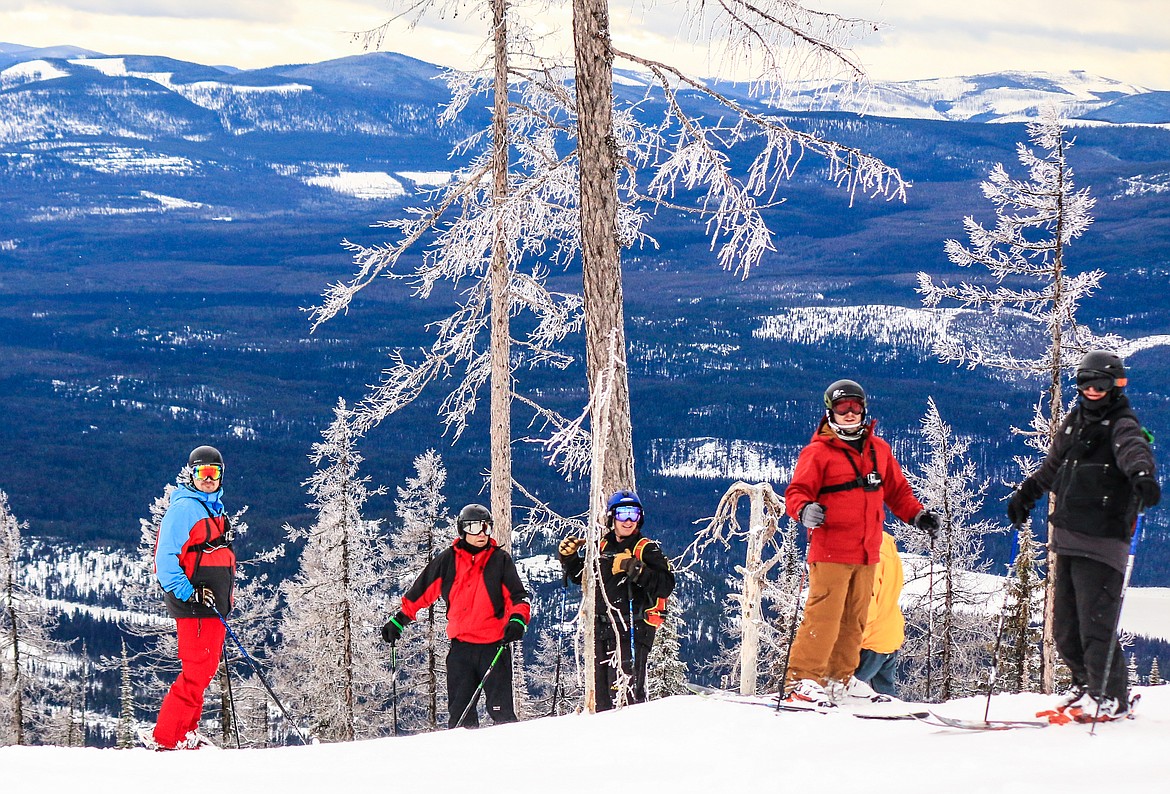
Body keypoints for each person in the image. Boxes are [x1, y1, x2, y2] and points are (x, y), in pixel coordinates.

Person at [1008, 350, 1160, 722]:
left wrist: (1142, 477)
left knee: (1096, 624)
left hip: (1104, 539)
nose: (1092, 391)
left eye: (1100, 384)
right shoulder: (1074, 422)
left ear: (1115, 386)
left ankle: (1110, 696)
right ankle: (1084, 685)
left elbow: (1135, 451)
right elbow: (1052, 466)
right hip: (1070, 536)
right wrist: (1026, 494)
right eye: (1085, 383)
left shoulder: (1121, 423)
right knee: (1065, 627)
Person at [783, 379, 938, 706]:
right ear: (831, 413)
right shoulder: (818, 452)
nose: (850, 413)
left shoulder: (878, 450)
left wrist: (917, 516)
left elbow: (897, 493)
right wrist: (805, 510)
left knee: (855, 620)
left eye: (855, 406)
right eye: (842, 407)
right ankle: (801, 679)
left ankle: (839, 679)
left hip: (867, 552)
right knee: (824, 616)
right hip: (831, 550)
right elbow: (797, 493)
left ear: (864, 409)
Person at [381, 503, 530, 729]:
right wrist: (399, 621)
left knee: (502, 716)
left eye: (486, 527)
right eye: (474, 527)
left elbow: (518, 597)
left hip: (494, 648)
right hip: (461, 650)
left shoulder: (500, 560)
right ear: (462, 530)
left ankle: (508, 759)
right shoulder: (447, 561)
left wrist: (517, 620)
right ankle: (463, 762)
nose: (481, 533)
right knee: (460, 719)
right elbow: (421, 593)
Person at [148, 445, 235, 750]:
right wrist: (191, 593)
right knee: (196, 671)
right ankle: (167, 738)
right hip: (195, 606)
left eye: (214, 473)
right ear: (192, 474)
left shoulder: (211, 507)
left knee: (203, 670)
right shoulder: (185, 509)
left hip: (212, 606)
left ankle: (186, 733)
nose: (208, 479)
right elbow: (165, 561)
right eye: (203, 473)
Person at [558, 490, 675, 711]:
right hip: (602, 627)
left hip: (633, 627)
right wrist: (570, 559)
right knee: (602, 697)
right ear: (612, 517)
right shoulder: (602, 546)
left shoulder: (646, 548)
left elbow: (666, 584)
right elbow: (584, 578)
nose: (629, 520)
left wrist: (636, 569)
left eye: (633, 513)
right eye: (623, 514)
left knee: (626, 695)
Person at [850, 531, 905, 699]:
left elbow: (868, 603)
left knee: (846, 689)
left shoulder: (871, 553)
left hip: (871, 640)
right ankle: (894, 718)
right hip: (891, 633)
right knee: (886, 695)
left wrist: (855, 640)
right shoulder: (889, 549)